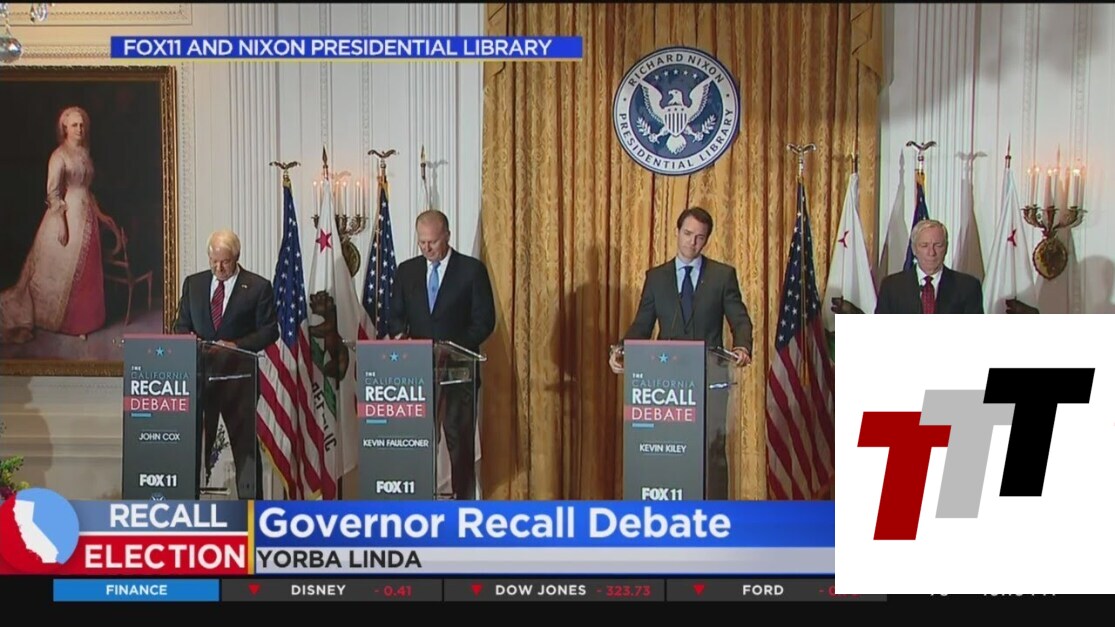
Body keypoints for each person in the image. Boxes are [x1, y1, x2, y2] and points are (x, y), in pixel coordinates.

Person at [388, 210, 496, 500]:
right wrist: (400, 336)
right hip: (417, 371)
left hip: (458, 372)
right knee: (418, 440)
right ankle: (417, 501)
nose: (426, 248)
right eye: (422, 242)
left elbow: (484, 321)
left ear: (447, 235)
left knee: (459, 441)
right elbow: (395, 316)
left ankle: (463, 505)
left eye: (432, 242)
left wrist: (451, 346)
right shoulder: (407, 271)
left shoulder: (471, 271)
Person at [0, 106, 121, 344]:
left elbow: (88, 191)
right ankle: (67, 323)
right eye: (74, 125)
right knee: (65, 273)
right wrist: (62, 224)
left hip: (87, 217)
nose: (79, 129)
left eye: (82, 125)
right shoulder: (59, 156)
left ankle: (88, 322)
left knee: (88, 270)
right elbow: (53, 194)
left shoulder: (85, 153)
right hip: (67, 217)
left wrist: (101, 215)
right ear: (65, 128)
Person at [173, 229, 279, 499]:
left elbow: (269, 331)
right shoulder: (194, 284)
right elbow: (180, 325)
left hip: (239, 381)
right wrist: (190, 339)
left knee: (245, 450)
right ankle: (190, 506)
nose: (219, 268)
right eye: (214, 261)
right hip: (200, 379)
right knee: (193, 448)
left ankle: (251, 510)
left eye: (225, 262)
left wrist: (236, 345)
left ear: (237, 257)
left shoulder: (257, 287)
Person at [611, 206, 754, 371]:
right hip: (667, 372)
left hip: (709, 371)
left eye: (699, 237)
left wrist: (742, 347)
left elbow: (739, 319)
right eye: (687, 234)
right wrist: (621, 351)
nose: (692, 242)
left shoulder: (721, 276)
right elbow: (642, 326)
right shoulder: (656, 278)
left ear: (707, 240)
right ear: (677, 232)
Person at [876, 219, 984, 314]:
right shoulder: (892, 287)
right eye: (924, 245)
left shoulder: (967, 287)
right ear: (914, 249)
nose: (931, 252)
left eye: (938, 245)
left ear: (946, 248)